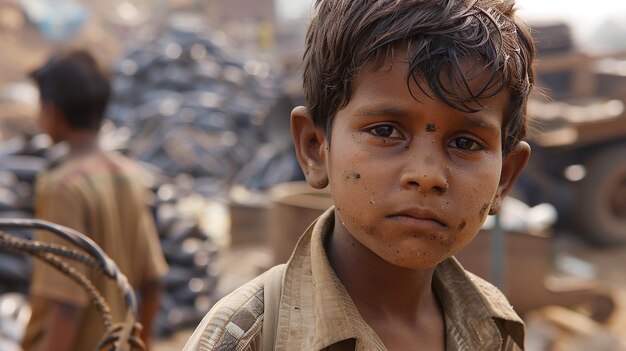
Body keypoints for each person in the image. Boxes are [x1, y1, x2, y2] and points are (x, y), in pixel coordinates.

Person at [185, 0, 535, 349]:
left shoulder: (495, 330)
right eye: (385, 131)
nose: (426, 175)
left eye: (465, 142)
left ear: (505, 176)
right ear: (314, 148)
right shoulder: (248, 336)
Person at [22, 50, 168, 351]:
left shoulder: (62, 186)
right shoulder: (130, 175)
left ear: (53, 111)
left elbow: (66, 305)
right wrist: (143, 342)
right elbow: (152, 280)